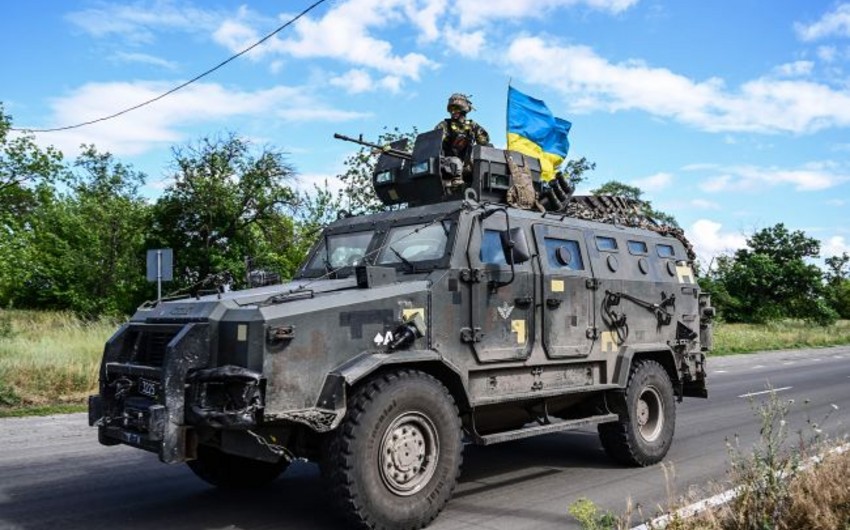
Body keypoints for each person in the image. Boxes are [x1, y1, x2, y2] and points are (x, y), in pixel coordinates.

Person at [434, 93, 491, 161]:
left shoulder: (472, 126)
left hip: (467, 163)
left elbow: (484, 143)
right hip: (447, 163)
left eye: (456, 109)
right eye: (451, 110)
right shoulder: (444, 125)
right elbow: (434, 144)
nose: (453, 112)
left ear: (463, 109)